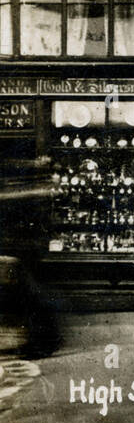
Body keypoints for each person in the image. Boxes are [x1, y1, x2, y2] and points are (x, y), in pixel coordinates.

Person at [0, 150, 62, 358]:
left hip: (23, 247)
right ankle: (41, 339)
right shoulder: (31, 191)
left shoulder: (22, 192)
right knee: (30, 295)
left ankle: (43, 341)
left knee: (31, 295)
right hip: (26, 247)